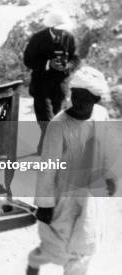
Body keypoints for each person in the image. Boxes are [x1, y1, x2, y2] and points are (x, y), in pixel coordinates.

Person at [27, 66, 117, 275]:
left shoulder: (101, 115)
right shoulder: (59, 125)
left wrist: (110, 176)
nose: (78, 102)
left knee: (84, 243)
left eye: (85, 98)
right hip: (63, 197)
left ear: (96, 99)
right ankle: (34, 263)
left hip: (90, 196)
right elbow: (47, 168)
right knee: (57, 244)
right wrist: (45, 204)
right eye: (75, 96)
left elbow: (106, 147)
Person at [23, 10, 80, 154]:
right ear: (51, 27)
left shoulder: (69, 37)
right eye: (57, 30)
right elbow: (28, 60)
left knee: (57, 118)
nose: (60, 33)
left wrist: (67, 66)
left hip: (60, 86)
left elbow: (76, 59)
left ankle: (45, 147)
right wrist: (48, 64)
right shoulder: (37, 39)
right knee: (46, 119)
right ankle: (53, 151)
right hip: (41, 86)